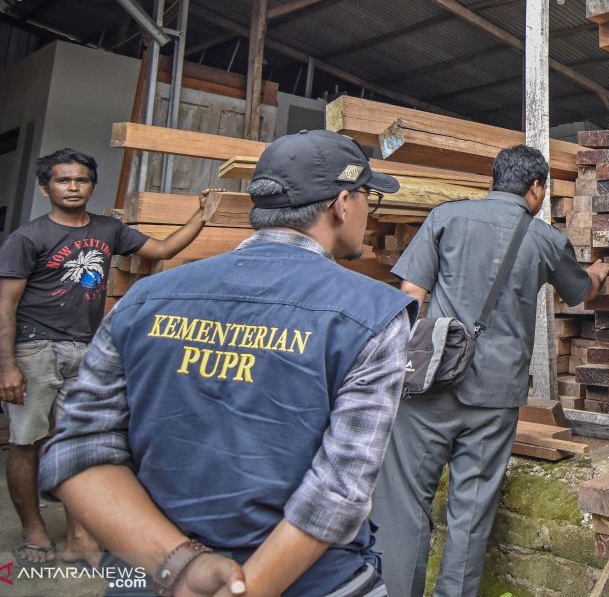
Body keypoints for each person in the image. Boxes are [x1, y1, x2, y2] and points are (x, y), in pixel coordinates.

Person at [39, 130, 417, 597]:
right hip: (310, 583)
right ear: (342, 203)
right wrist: (245, 589)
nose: (367, 211)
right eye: (368, 199)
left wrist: (179, 565)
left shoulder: (144, 300)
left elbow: (78, 449)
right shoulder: (373, 314)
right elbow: (336, 494)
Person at [374, 144, 609, 597]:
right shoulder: (544, 239)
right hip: (494, 396)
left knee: (403, 501)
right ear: (536, 187)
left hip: (429, 382)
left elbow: (410, 293)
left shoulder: (447, 217)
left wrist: (398, 369)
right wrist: (598, 271)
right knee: (471, 513)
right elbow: (579, 293)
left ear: (495, 179)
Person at [0, 149, 216, 568]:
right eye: (63, 181)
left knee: (78, 442)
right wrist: (6, 365)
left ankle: (81, 535)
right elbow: (4, 306)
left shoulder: (107, 230)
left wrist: (201, 215)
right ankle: (33, 528)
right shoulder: (28, 238)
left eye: (81, 180)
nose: (73, 187)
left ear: (91, 185)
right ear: (46, 188)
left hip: (87, 347)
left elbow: (164, 249)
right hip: (35, 349)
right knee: (26, 442)